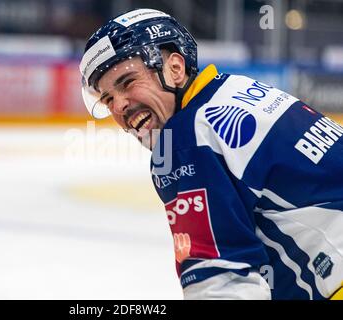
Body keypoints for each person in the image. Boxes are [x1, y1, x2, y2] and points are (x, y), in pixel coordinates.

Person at [79, 8, 343, 300]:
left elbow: (222, 280)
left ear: (175, 69)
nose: (119, 107)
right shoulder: (238, 89)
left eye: (128, 82)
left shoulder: (184, 139)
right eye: (107, 99)